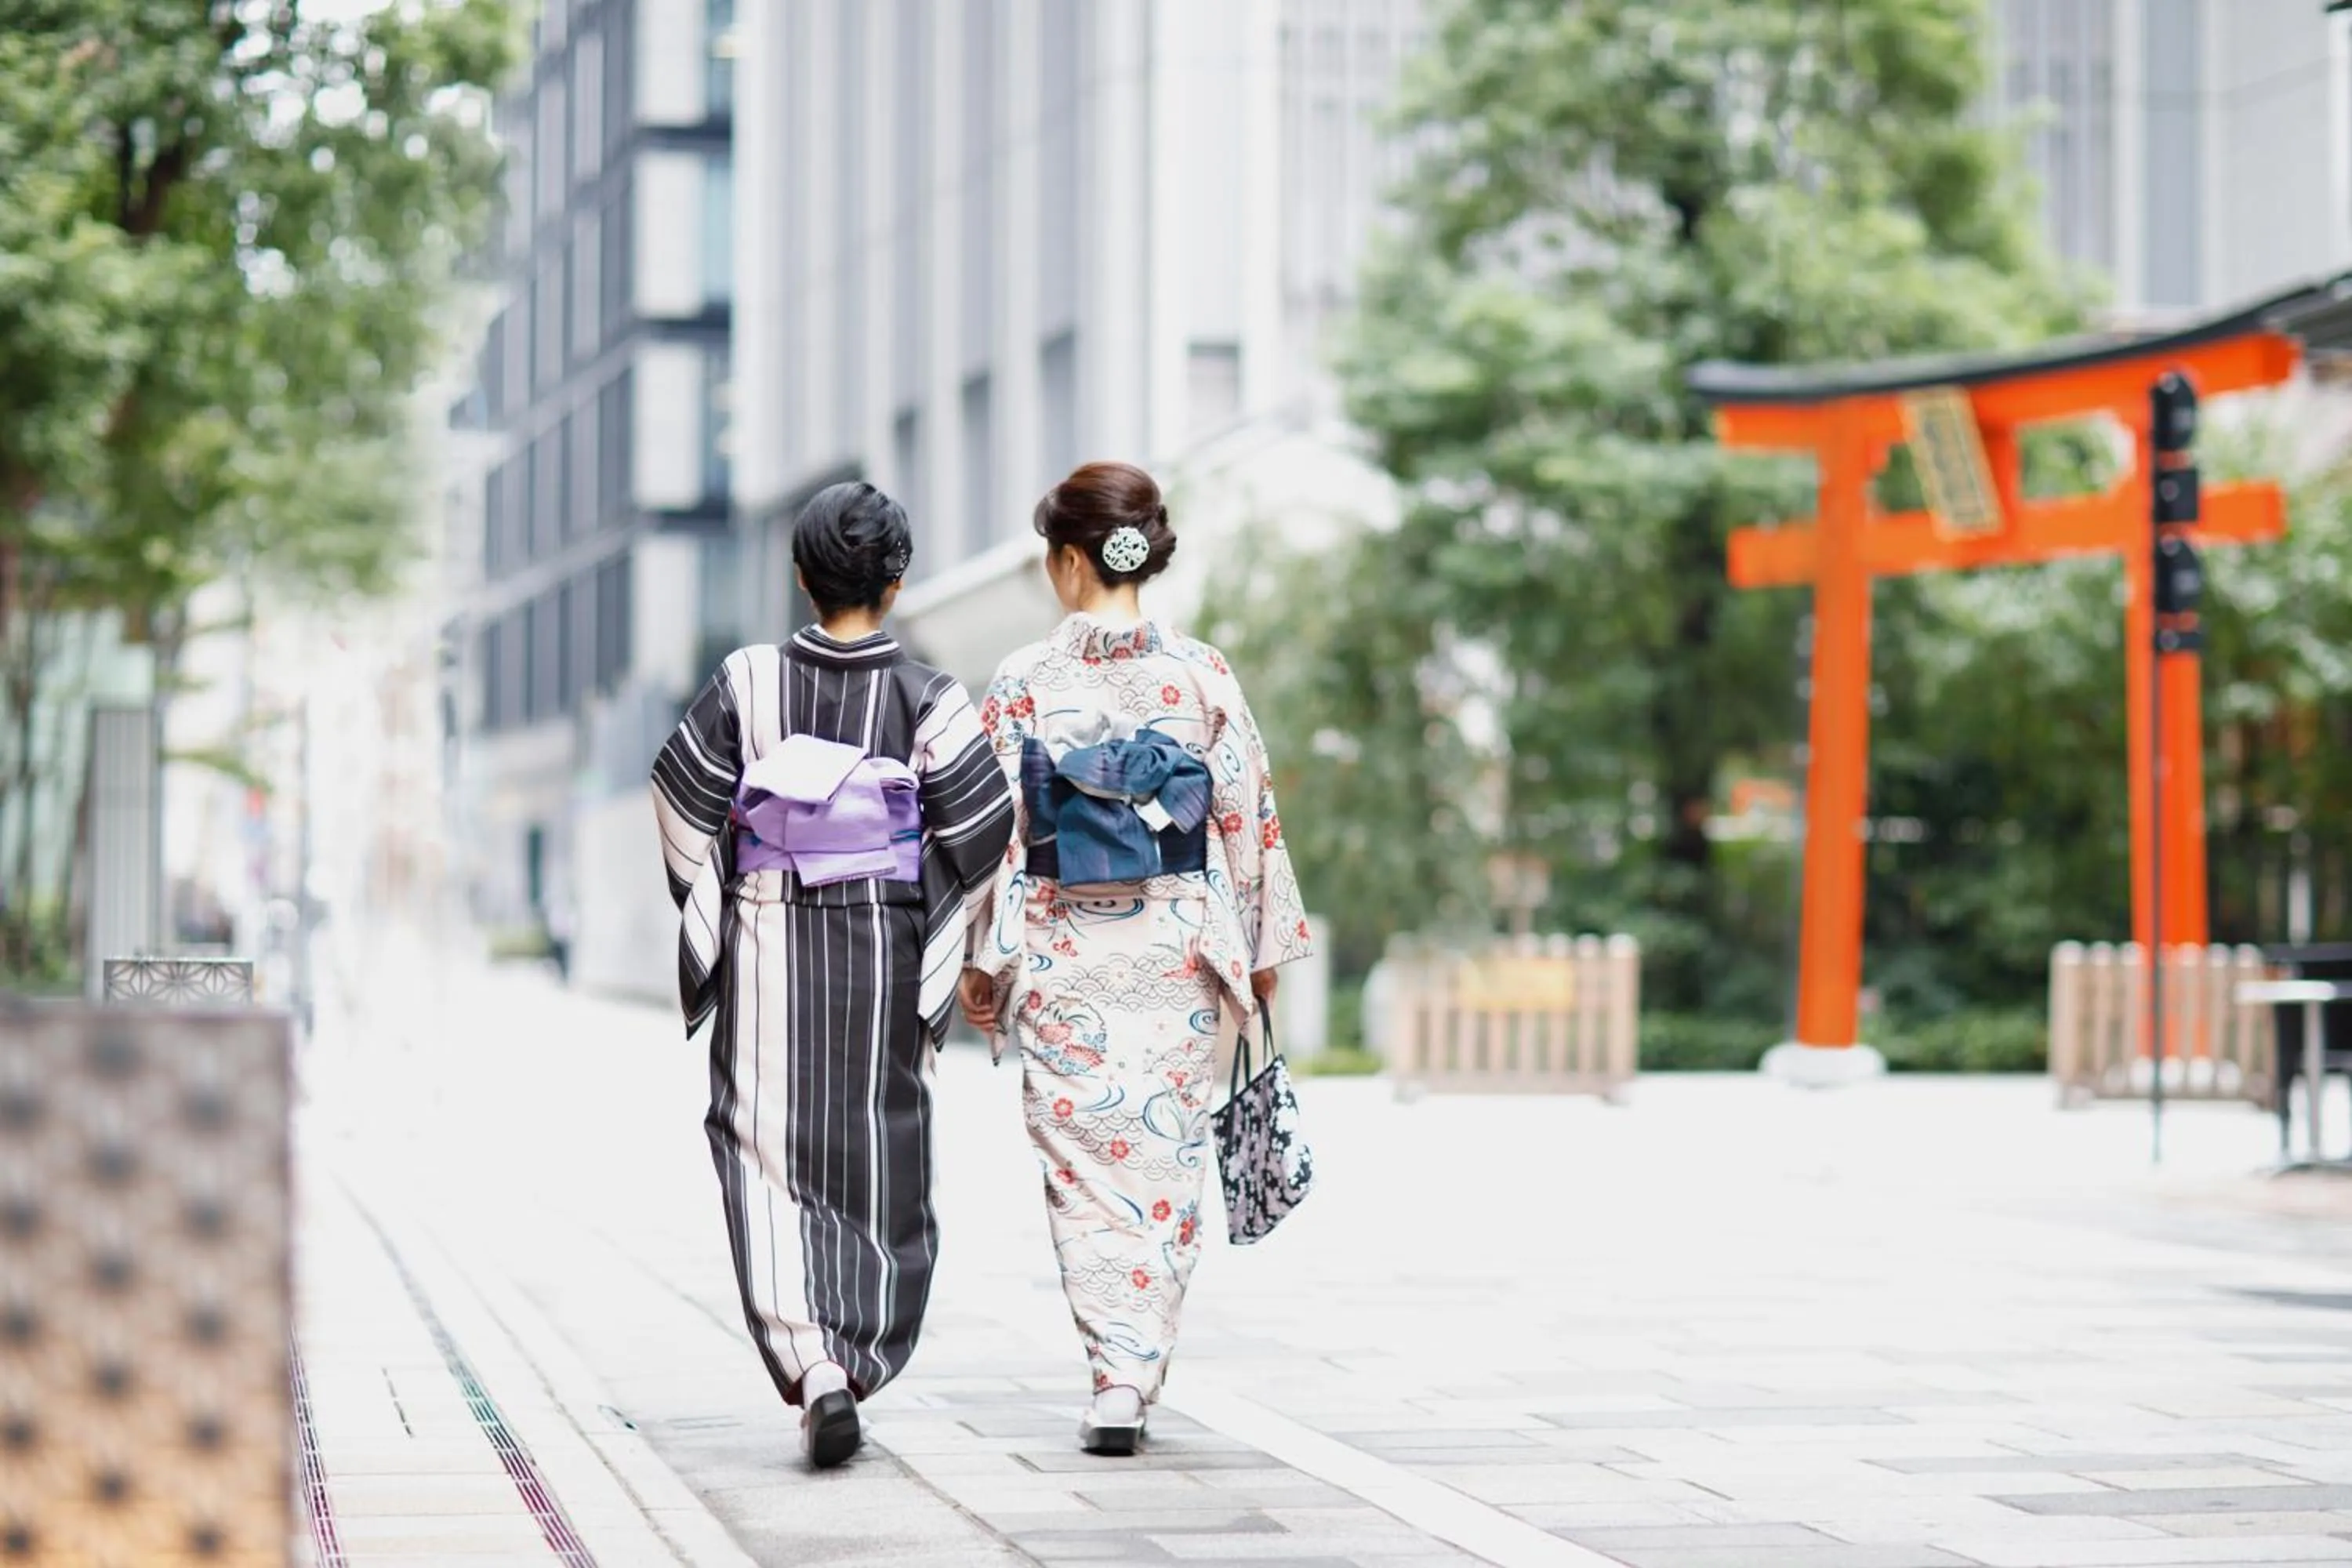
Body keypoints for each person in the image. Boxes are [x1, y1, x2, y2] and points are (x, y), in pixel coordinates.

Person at [650, 481, 1014, 1469]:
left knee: (760, 1143)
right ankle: (855, 1356)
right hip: (885, 944)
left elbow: (683, 800)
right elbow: (982, 828)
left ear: (801, 574)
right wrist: (934, 908)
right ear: (896, 584)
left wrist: (729, 880)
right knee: (879, 1147)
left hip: (773, 933)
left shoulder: (747, 680)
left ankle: (809, 1362)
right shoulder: (930, 694)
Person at [958, 460, 1312, 1455]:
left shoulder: (1027, 679)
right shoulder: (1201, 672)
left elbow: (995, 830)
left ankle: (1111, 1368)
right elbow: (1245, 810)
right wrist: (1260, 946)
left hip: (1066, 947)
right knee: (1166, 1154)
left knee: (1081, 1169)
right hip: (1175, 948)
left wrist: (982, 960)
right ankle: (1136, 1369)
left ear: (1071, 560)